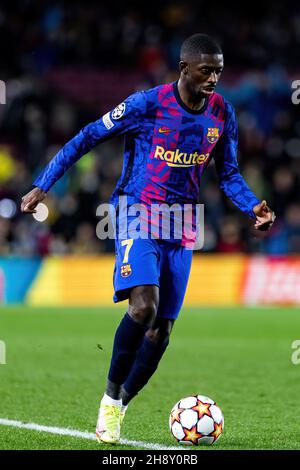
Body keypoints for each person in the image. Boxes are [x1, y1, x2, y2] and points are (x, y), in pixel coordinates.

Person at [21, 33, 275, 445]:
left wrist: (253, 207)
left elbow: (227, 172)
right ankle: (107, 397)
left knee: (162, 331)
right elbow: (87, 135)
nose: (213, 78)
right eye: (206, 70)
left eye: (219, 71)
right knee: (143, 309)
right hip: (137, 211)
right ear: (184, 69)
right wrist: (43, 184)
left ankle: (121, 404)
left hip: (183, 222)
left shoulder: (221, 113)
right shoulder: (147, 105)